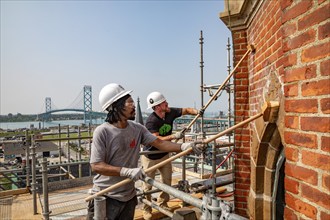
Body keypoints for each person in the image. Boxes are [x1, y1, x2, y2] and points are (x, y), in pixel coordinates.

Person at [87, 83, 203, 220]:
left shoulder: (137, 128)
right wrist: (126, 171)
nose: (134, 106)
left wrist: (184, 147)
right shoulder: (102, 132)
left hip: (128, 197)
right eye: (129, 102)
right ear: (115, 107)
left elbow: (159, 143)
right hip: (105, 197)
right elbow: (96, 165)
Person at [141, 91, 199, 220]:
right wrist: (174, 136)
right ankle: (146, 208)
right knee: (147, 184)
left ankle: (163, 203)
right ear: (157, 107)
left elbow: (186, 110)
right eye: (163, 102)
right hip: (150, 156)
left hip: (164, 155)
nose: (167, 103)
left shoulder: (170, 112)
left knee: (166, 181)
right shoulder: (151, 122)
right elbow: (157, 141)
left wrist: (197, 112)